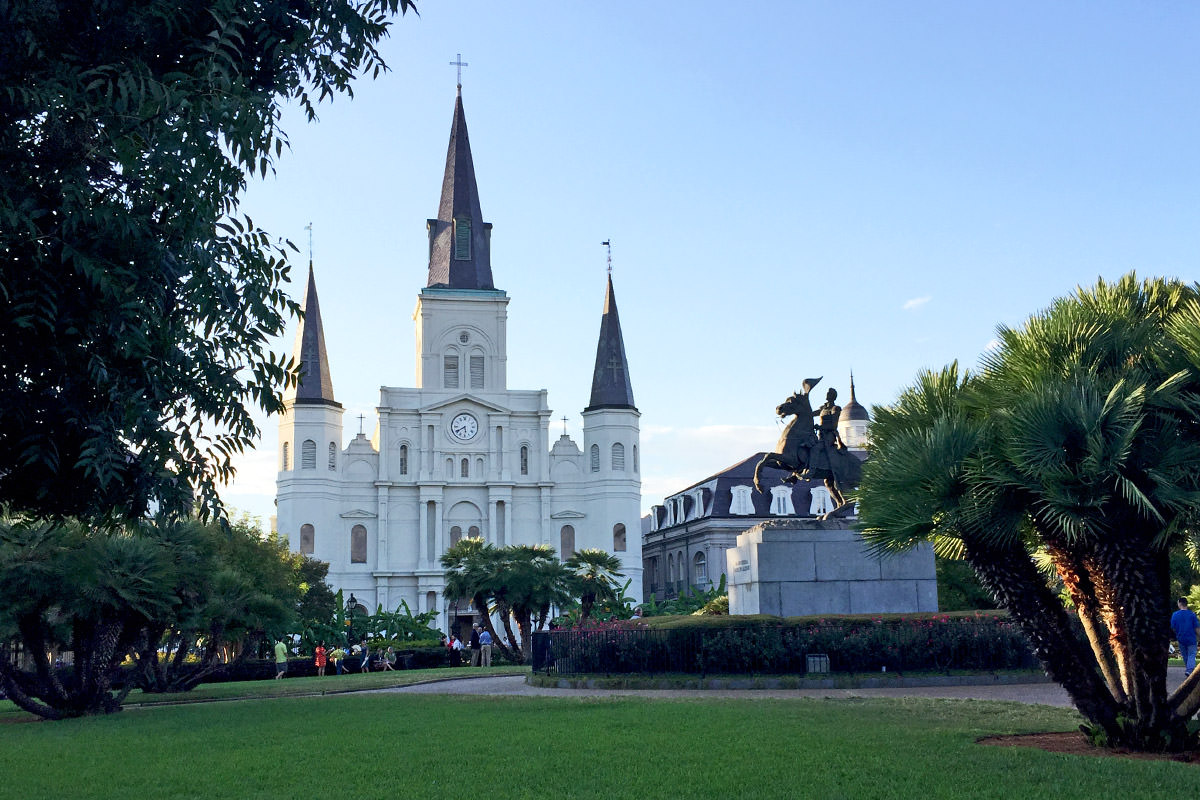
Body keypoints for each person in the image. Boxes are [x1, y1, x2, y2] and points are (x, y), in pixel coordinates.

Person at [1170, 597, 1200, 674]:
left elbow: (1173, 628)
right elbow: (1197, 628)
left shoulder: (1175, 615)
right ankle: (1189, 670)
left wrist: (1176, 634)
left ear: (1179, 604)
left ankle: (1189, 670)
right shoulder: (1192, 615)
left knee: (1185, 656)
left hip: (1181, 638)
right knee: (1191, 655)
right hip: (1191, 638)